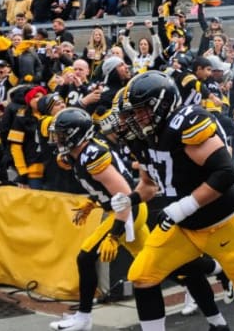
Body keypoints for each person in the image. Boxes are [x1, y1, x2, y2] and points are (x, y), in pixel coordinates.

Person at [115, 71, 234, 331]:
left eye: (140, 111)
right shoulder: (141, 138)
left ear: (162, 105)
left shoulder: (186, 124)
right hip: (184, 227)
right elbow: (149, 185)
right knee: (142, 276)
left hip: (223, 222)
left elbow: (226, 173)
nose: (134, 120)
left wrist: (183, 207)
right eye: (131, 114)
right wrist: (130, 198)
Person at [47, 107, 151, 331]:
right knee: (156, 262)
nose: (58, 139)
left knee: (85, 258)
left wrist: (114, 234)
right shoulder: (78, 153)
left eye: (63, 134)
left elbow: (123, 196)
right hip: (124, 210)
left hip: (128, 212)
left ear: (77, 134)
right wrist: (94, 202)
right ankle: (209, 272)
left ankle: (84, 319)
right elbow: (104, 188)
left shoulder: (92, 155)